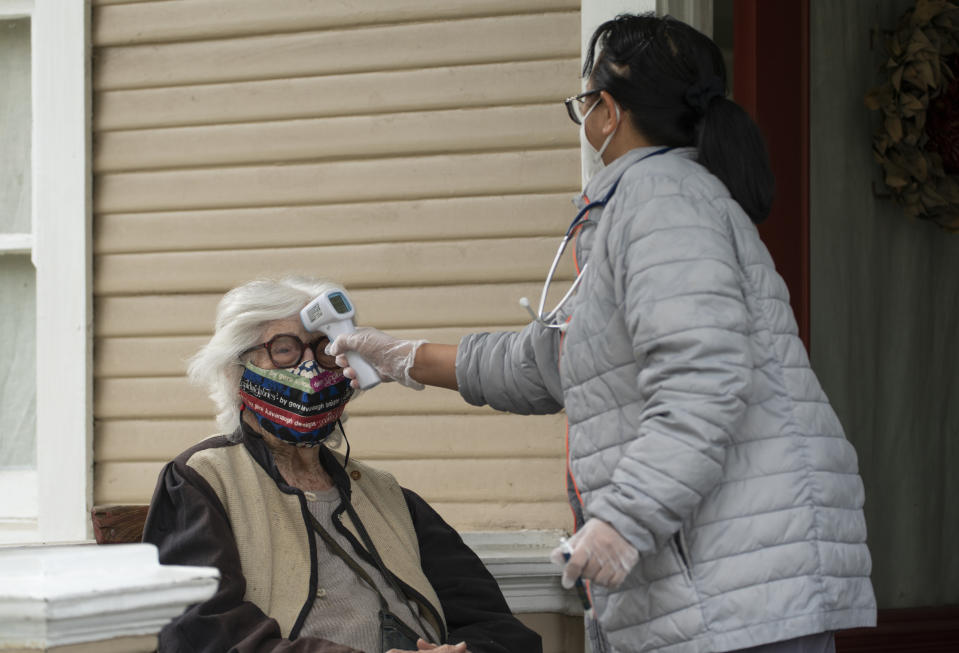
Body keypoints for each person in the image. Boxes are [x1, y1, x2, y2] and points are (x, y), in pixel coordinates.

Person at [326, 13, 877, 653]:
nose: (583, 117)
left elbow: (703, 383)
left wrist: (621, 522)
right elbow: (548, 363)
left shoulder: (661, 203)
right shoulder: (647, 205)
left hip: (735, 589)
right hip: (719, 588)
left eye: (583, 101)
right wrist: (400, 359)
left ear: (606, 111)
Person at [141, 276, 542, 653]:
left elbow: (492, 621)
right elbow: (204, 633)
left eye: (324, 350)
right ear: (235, 373)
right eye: (284, 350)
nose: (311, 369)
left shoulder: (385, 495)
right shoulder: (202, 480)